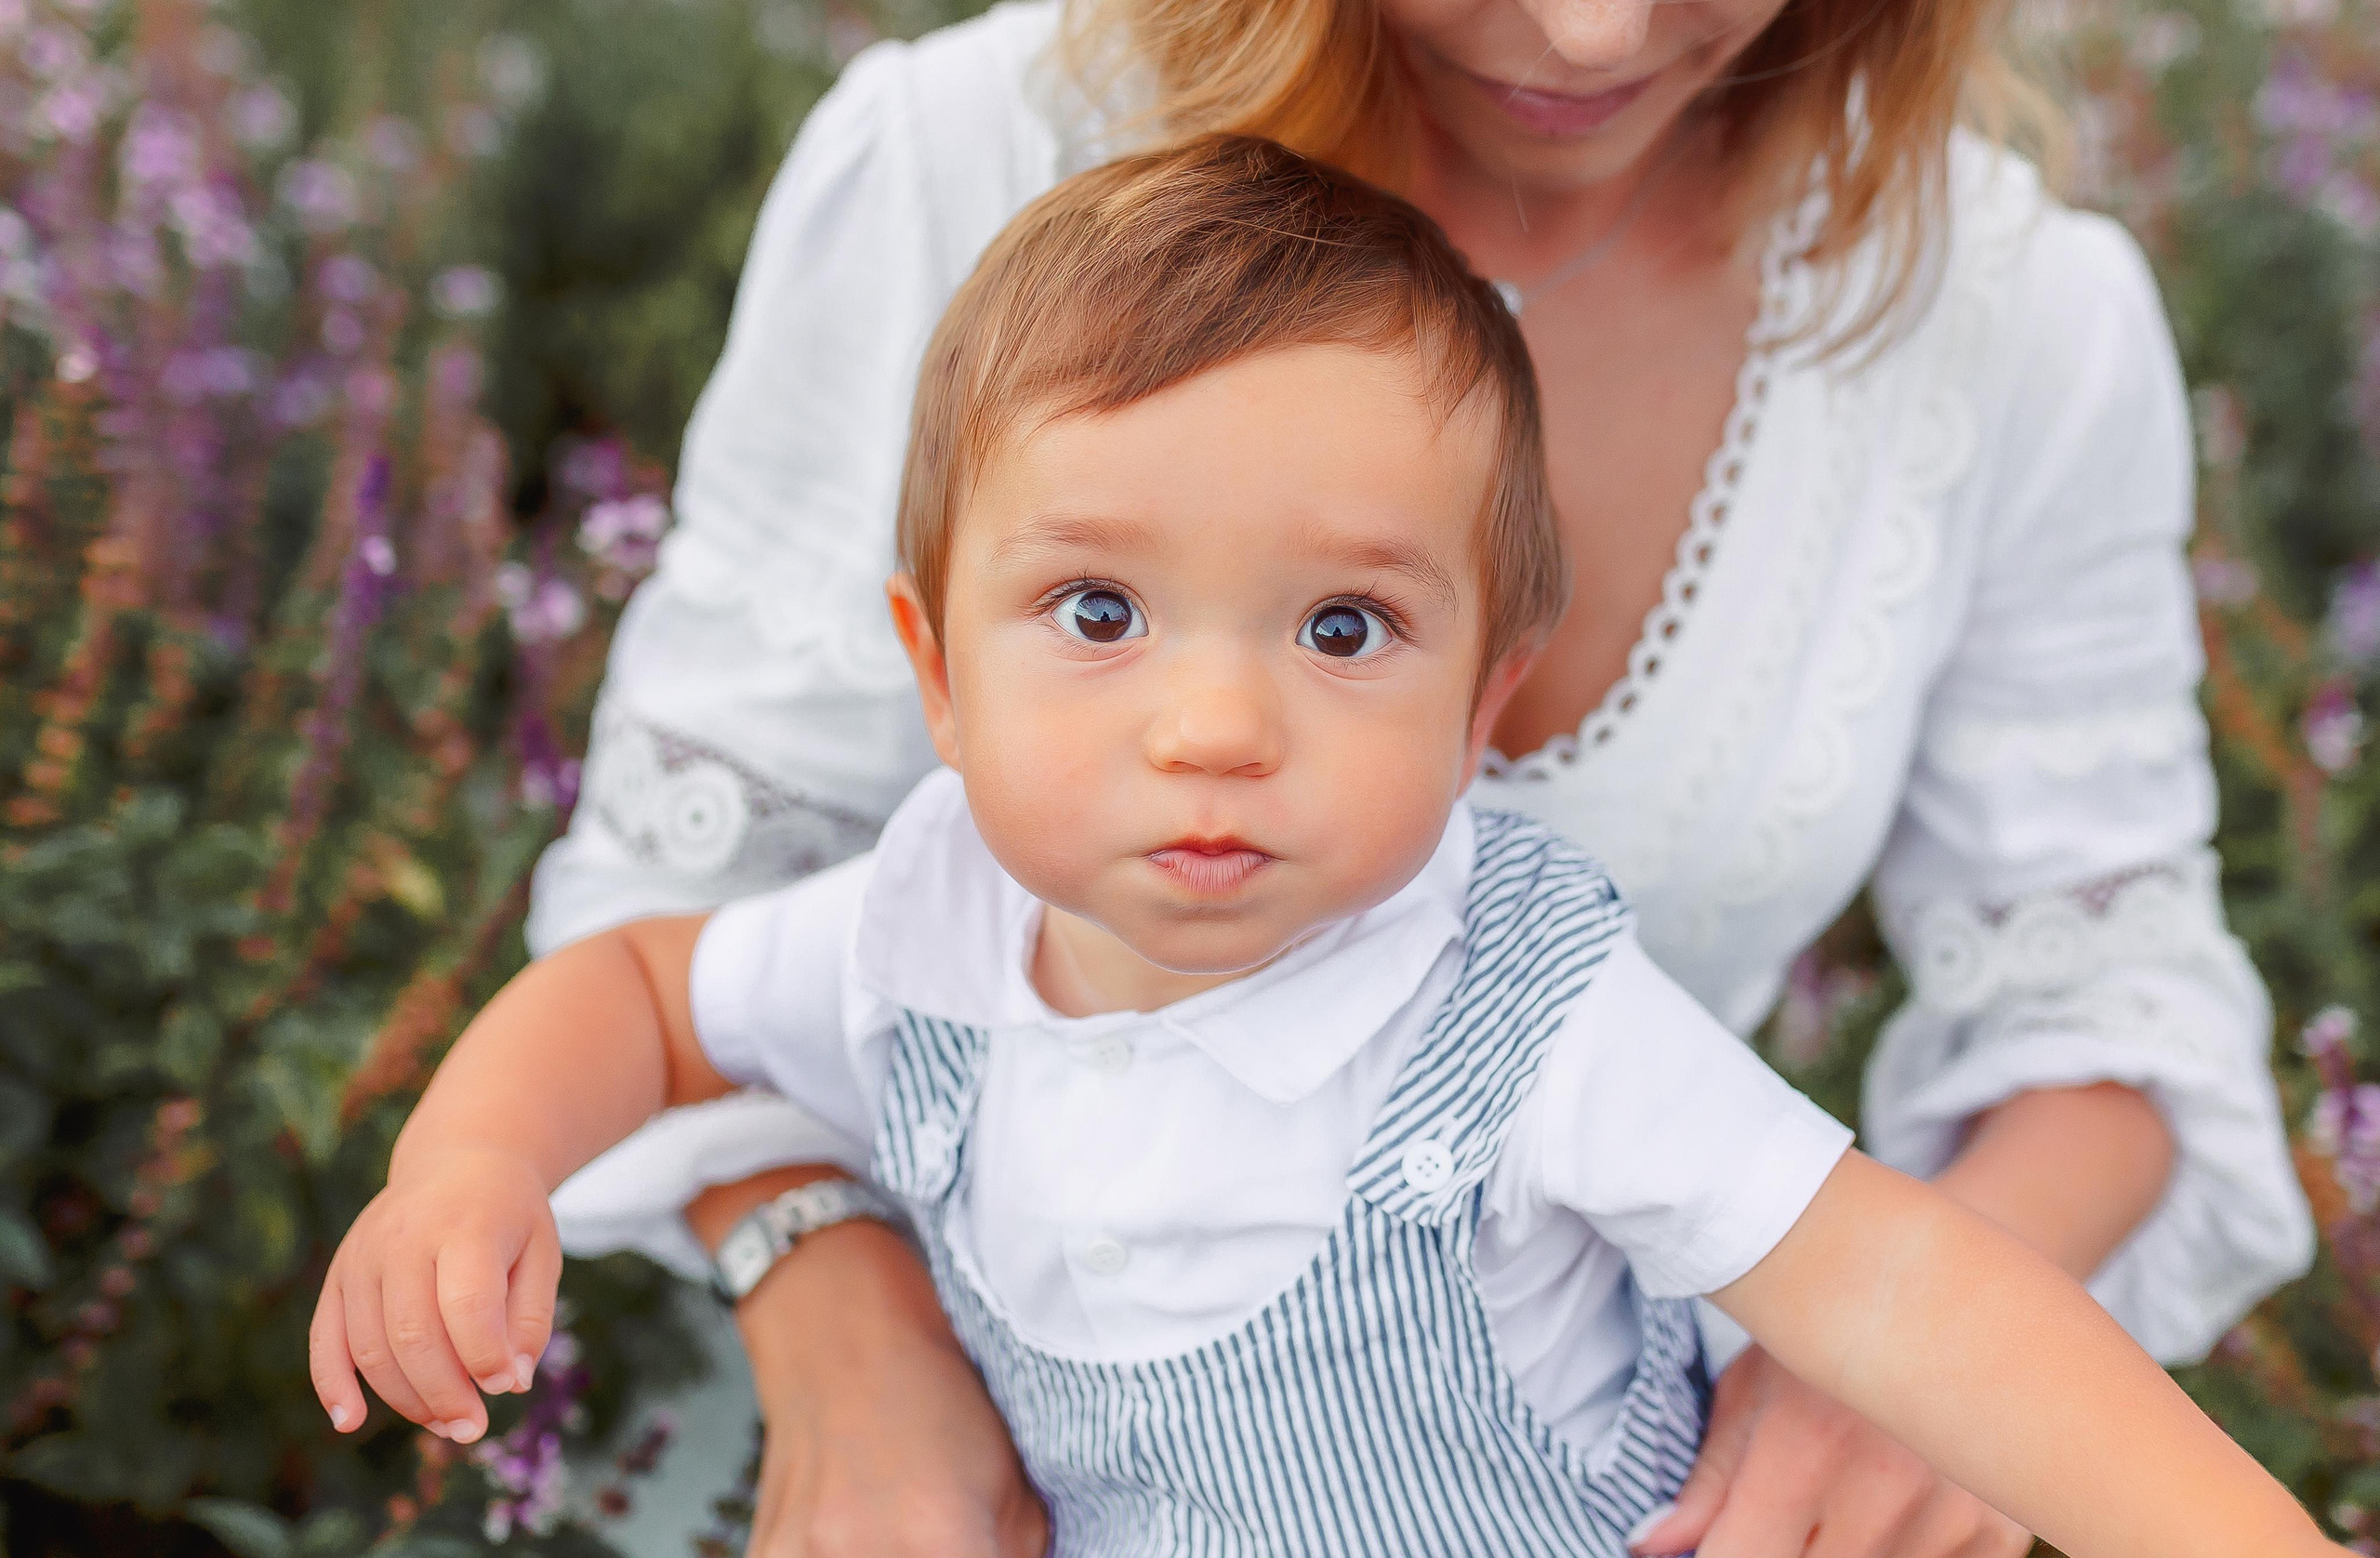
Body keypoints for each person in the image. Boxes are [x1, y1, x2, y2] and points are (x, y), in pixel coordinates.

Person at [315, 136, 2340, 1558]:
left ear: (1486, 704)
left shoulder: (1512, 1014)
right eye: (1097, 612)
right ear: (934, 671)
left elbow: (1921, 1305)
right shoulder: (925, 920)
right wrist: (472, 1155)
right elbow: (642, 989)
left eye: (1342, 627)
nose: (1213, 722)